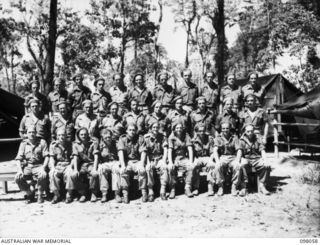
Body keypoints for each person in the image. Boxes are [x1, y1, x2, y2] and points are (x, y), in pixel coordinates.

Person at [15, 126, 49, 204]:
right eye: (29, 132)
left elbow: (47, 156)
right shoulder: (23, 143)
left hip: (38, 165)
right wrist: (19, 170)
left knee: (42, 175)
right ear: (26, 134)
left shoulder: (42, 142)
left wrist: (43, 168)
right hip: (28, 166)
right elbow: (18, 159)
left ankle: (40, 194)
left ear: (36, 133)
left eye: (33, 132)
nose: (31, 134)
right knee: (18, 178)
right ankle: (30, 193)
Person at [117, 123, 147, 203]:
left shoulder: (140, 138)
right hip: (127, 161)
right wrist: (123, 165)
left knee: (142, 171)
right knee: (124, 171)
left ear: (136, 130)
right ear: (126, 131)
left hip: (137, 161)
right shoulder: (122, 139)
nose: (132, 132)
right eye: (130, 130)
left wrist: (142, 164)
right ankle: (125, 194)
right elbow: (120, 152)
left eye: (133, 130)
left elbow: (143, 152)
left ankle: (144, 192)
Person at [238, 124, 271, 196]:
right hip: (246, 158)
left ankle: (262, 185)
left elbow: (262, 150)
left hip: (257, 158)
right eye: (248, 131)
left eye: (251, 131)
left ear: (254, 131)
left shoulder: (258, 138)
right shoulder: (242, 139)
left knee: (266, 166)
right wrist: (238, 161)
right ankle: (244, 187)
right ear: (245, 132)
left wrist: (265, 160)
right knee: (242, 165)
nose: (250, 133)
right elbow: (240, 151)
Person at [212, 122, 242, 196]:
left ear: (230, 129)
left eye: (227, 128)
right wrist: (218, 161)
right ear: (221, 129)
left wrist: (237, 160)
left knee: (237, 166)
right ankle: (220, 186)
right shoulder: (218, 138)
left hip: (232, 157)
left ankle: (234, 186)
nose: (225, 130)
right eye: (223, 128)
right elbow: (215, 150)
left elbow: (239, 150)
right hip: (223, 157)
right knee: (218, 166)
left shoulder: (234, 137)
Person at [71, 127, 100, 202]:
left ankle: (93, 193)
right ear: (78, 135)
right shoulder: (75, 144)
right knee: (74, 175)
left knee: (94, 174)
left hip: (92, 163)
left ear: (88, 135)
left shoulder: (94, 142)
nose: (83, 136)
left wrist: (94, 168)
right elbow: (75, 156)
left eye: (85, 134)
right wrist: (75, 170)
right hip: (82, 164)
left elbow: (96, 156)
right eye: (81, 134)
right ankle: (83, 193)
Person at [49, 128, 77, 204]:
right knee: (52, 174)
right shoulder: (53, 145)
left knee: (69, 173)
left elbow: (74, 157)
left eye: (63, 135)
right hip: (58, 165)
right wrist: (52, 168)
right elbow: (51, 158)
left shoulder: (71, 144)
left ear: (66, 136)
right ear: (57, 136)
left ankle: (69, 194)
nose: (61, 137)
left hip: (67, 164)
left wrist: (71, 166)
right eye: (59, 135)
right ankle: (56, 195)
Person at [143, 122, 169, 201]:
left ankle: (163, 190)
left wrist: (164, 161)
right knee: (148, 169)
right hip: (150, 159)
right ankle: (151, 191)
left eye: (157, 127)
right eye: (154, 127)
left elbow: (165, 149)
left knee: (164, 168)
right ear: (151, 128)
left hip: (160, 158)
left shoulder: (162, 137)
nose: (155, 129)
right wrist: (147, 163)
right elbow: (146, 151)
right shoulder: (146, 138)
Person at [167, 121, 194, 198]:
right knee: (171, 168)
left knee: (190, 167)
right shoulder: (171, 138)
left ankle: (187, 187)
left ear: (183, 129)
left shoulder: (186, 136)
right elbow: (170, 150)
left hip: (183, 158)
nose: (179, 129)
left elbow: (190, 149)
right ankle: (172, 189)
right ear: (174, 129)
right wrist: (170, 162)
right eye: (177, 128)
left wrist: (190, 162)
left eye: (180, 128)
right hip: (174, 158)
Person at [95, 128, 120, 203]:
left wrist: (119, 162)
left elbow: (120, 153)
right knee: (102, 170)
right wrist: (99, 165)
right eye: (105, 137)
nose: (108, 139)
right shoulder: (99, 144)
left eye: (109, 137)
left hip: (115, 161)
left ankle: (117, 194)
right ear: (102, 137)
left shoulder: (116, 143)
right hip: (104, 163)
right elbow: (97, 156)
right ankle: (104, 194)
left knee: (116, 170)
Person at [191, 123, 215, 197]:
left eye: (203, 131)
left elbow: (212, 152)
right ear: (197, 131)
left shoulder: (209, 138)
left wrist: (211, 160)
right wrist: (193, 160)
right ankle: (196, 187)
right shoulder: (193, 140)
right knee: (195, 165)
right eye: (200, 131)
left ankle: (210, 186)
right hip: (197, 157)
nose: (202, 132)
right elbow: (192, 153)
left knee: (211, 165)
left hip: (207, 157)